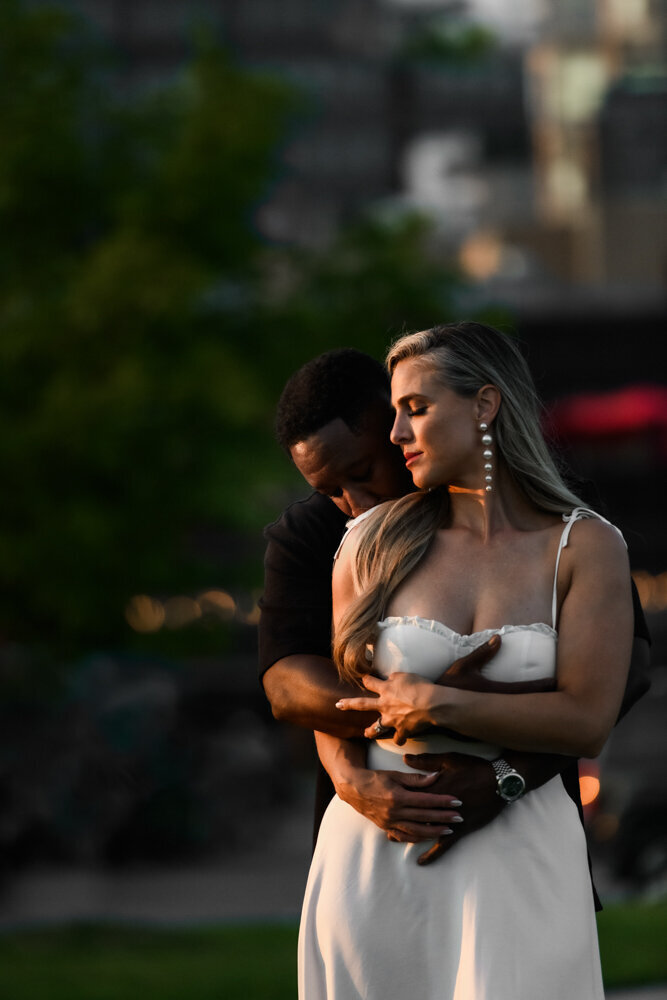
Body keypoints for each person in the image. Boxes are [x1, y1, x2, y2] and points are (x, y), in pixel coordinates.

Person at [297, 323, 641, 999]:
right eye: (394, 412)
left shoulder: (585, 547)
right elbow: (340, 704)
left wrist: (438, 704)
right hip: (374, 853)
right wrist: (351, 783)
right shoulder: (368, 543)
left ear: (484, 405)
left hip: (522, 853)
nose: (394, 434)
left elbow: (587, 721)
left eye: (415, 410)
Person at [259, 347, 650, 867]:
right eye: (329, 490)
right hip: (381, 825)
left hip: (529, 832)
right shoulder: (319, 533)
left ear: (391, 419)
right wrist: (406, 720)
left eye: (362, 469)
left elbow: (631, 669)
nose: (353, 502)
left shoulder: (555, 522)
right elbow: (286, 684)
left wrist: (507, 775)